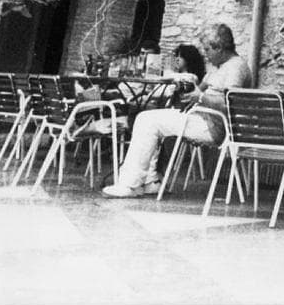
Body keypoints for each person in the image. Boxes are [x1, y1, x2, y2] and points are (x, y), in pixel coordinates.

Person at [101, 23, 253, 198]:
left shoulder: (235, 68)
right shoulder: (219, 66)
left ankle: (129, 184)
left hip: (214, 126)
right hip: (201, 117)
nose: (206, 54)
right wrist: (190, 90)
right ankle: (150, 181)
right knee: (148, 119)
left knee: (146, 120)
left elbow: (231, 104)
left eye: (207, 50)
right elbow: (199, 88)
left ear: (219, 48)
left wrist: (201, 97)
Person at [164, 43, 207, 108]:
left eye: (181, 57)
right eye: (176, 56)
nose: (177, 59)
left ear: (188, 58)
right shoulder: (175, 74)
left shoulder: (191, 77)